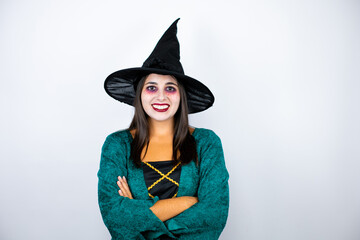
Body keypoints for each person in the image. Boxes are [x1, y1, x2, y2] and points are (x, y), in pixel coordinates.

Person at [97, 18, 230, 240]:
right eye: (151, 88)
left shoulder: (206, 143)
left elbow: (213, 216)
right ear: (139, 94)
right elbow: (114, 216)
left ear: (182, 96)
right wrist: (188, 201)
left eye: (170, 88)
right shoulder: (116, 145)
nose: (161, 96)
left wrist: (138, 213)